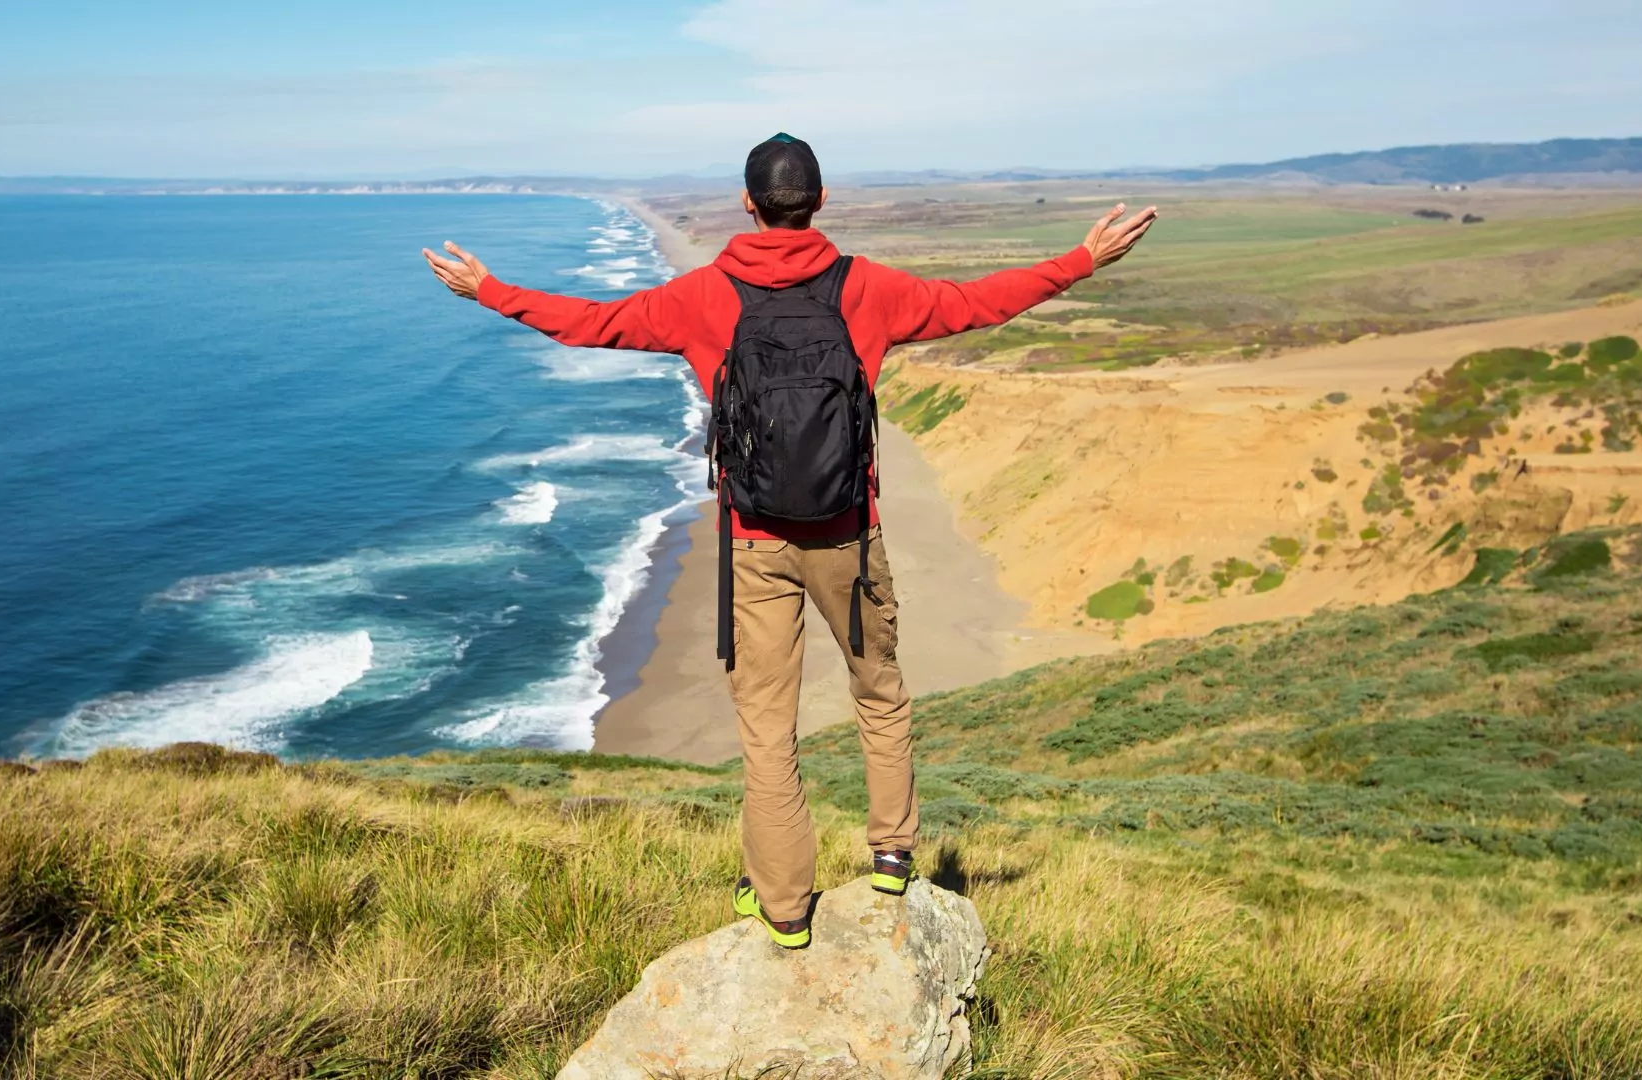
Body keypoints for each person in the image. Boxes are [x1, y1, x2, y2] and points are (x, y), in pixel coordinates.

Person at [424, 134, 1156, 949]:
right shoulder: (867, 288)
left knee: (768, 730)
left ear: (747, 203)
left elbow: (590, 323)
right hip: (849, 531)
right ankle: (890, 853)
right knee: (879, 692)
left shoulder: (703, 295)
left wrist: (490, 291)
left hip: (754, 539)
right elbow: (976, 301)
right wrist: (1080, 261)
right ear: (821, 200)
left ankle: (782, 907)